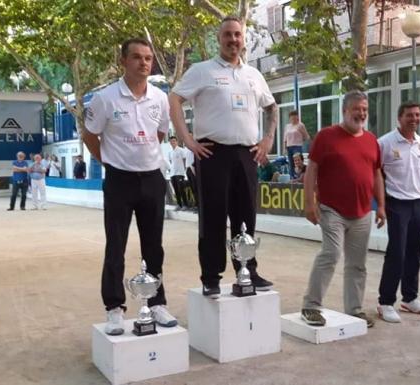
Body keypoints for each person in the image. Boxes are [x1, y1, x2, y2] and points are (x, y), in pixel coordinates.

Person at [169, 16, 278, 298]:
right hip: (212, 152)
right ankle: (211, 276)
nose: (233, 40)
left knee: (246, 216)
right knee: (213, 217)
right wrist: (188, 139)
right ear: (219, 39)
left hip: (247, 153)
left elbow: (272, 107)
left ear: (244, 40)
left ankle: (248, 270)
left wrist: (268, 140)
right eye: (228, 35)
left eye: (238, 35)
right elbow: (174, 99)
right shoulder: (201, 71)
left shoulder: (254, 75)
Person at [83, 37, 177, 335]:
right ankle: (114, 308)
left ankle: (156, 302)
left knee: (154, 247)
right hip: (119, 181)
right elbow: (89, 135)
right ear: (123, 61)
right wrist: (109, 161)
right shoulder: (105, 98)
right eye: (136, 57)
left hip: (152, 179)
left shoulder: (160, 98)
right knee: (116, 247)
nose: (144, 63)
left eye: (148, 58)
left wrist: (143, 156)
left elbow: (160, 134)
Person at [301, 91, 385, 328]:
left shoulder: (371, 140)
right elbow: (312, 170)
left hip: (362, 212)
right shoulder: (326, 137)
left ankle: (355, 310)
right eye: (357, 109)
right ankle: (311, 306)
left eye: (365, 110)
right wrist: (309, 203)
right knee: (331, 254)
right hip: (331, 209)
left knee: (358, 263)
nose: (361, 114)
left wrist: (381, 206)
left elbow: (377, 174)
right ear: (345, 111)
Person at [376, 101, 420, 323]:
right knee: (396, 253)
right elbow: (377, 174)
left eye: (417, 115)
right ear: (399, 118)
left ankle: (410, 298)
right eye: (409, 115)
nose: (414, 119)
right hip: (397, 202)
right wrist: (381, 204)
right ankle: (385, 302)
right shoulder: (385, 143)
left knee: (414, 252)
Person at [283, 110, 310, 178]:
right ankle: (292, 177)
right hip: (289, 147)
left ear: (297, 117)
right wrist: (284, 148)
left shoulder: (300, 125)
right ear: (290, 118)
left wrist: (301, 140)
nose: (293, 120)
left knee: (297, 163)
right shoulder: (287, 126)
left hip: (297, 146)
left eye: (295, 118)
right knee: (291, 163)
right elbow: (285, 139)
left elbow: (307, 136)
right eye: (292, 118)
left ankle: (299, 177)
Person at [168, 136, 188, 210]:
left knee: (181, 189)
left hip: (180, 173)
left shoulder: (181, 150)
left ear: (176, 141)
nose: (172, 142)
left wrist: (184, 170)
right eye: (171, 141)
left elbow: (184, 160)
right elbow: (171, 162)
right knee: (176, 190)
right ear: (170, 143)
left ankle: (185, 204)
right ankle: (179, 205)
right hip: (172, 174)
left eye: (174, 141)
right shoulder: (170, 152)